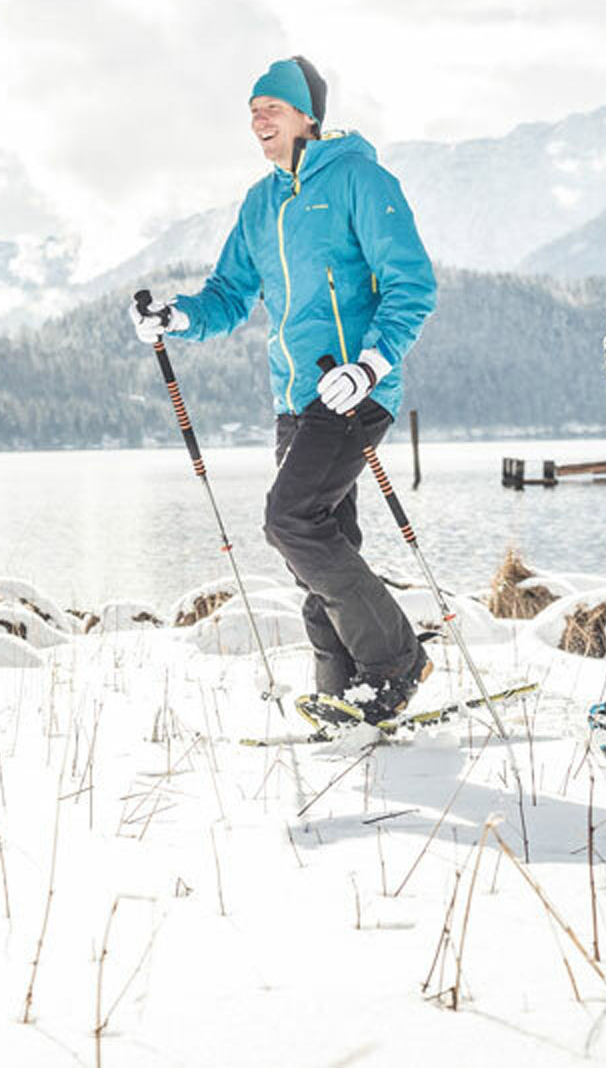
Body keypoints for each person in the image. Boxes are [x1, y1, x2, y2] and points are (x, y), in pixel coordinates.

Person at [131, 56, 438, 726]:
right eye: (251, 111)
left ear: (308, 116)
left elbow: (414, 286)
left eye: (271, 106)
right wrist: (177, 316)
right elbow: (229, 295)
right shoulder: (261, 202)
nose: (258, 120)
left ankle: (396, 661)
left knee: (290, 522)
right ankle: (343, 688)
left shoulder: (359, 179)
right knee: (323, 545)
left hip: (355, 388)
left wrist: (369, 363)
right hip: (295, 400)